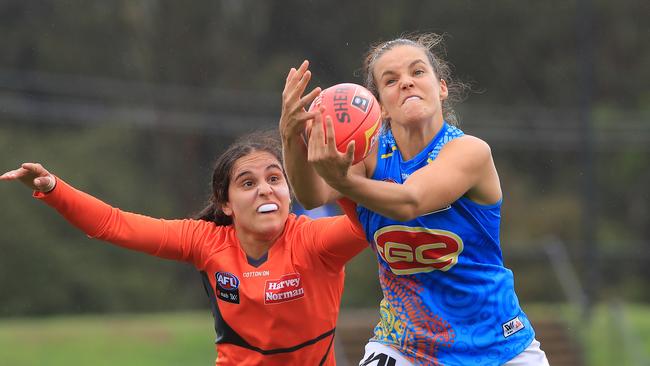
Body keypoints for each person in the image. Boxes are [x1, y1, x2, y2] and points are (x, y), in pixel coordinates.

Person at [280, 34, 550, 365]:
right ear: (379, 106)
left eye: (418, 72)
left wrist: (343, 180)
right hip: (404, 344)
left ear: (442, 88)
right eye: (391, 80)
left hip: (496, 344)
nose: (406, 83)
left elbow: (410, 201)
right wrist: (291, 136)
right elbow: (311, 195)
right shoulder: (369, 156)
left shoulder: (469, 152)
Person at [0, 131, 369, 366]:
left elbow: (368, 223)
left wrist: (342, 180)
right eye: (248, 182)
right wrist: (53, 189)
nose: (265, 189)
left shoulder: (315, 242)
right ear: (226, 204)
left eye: (275, 179)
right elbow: (113, 224)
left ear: (291, 192)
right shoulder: (205, 241)